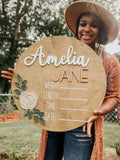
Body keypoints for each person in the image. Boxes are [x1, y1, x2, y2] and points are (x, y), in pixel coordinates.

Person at [1, 1, 120, 160]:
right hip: (54, 122)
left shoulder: (109, 61)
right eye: (83, 24)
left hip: (83, 125)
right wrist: (22, 80)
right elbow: (45, 83)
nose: (86, 29)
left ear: (101, 31)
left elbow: (114, 95)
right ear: (77, 28)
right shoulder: (59, 57)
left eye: (94, 25)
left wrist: (99, 112)